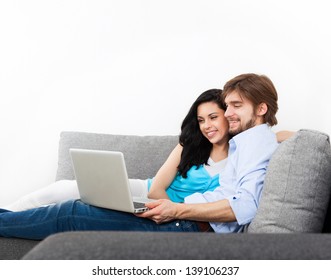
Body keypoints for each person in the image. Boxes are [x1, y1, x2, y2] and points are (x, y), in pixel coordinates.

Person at [0, 73, 281, 240]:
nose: (229, 113)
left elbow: (245, 207)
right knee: (69, 201)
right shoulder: (248, 140)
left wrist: (176, 209)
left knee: (71, 212)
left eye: (235, 106)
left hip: (190, 224)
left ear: (260, 109)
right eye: (227, 106)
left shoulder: (256, 142)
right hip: (178, 213)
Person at [3, 89, 230, 211]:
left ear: (229, 116)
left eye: (213, 118)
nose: (206, 126)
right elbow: (155, 189)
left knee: (78, 207)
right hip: (147, 192)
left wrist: (177, 213)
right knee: (65, 189)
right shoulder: (189, 145)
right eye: (201, 120)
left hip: (163, 210)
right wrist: (172, 209)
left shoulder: (239, 159)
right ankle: (9, 211)